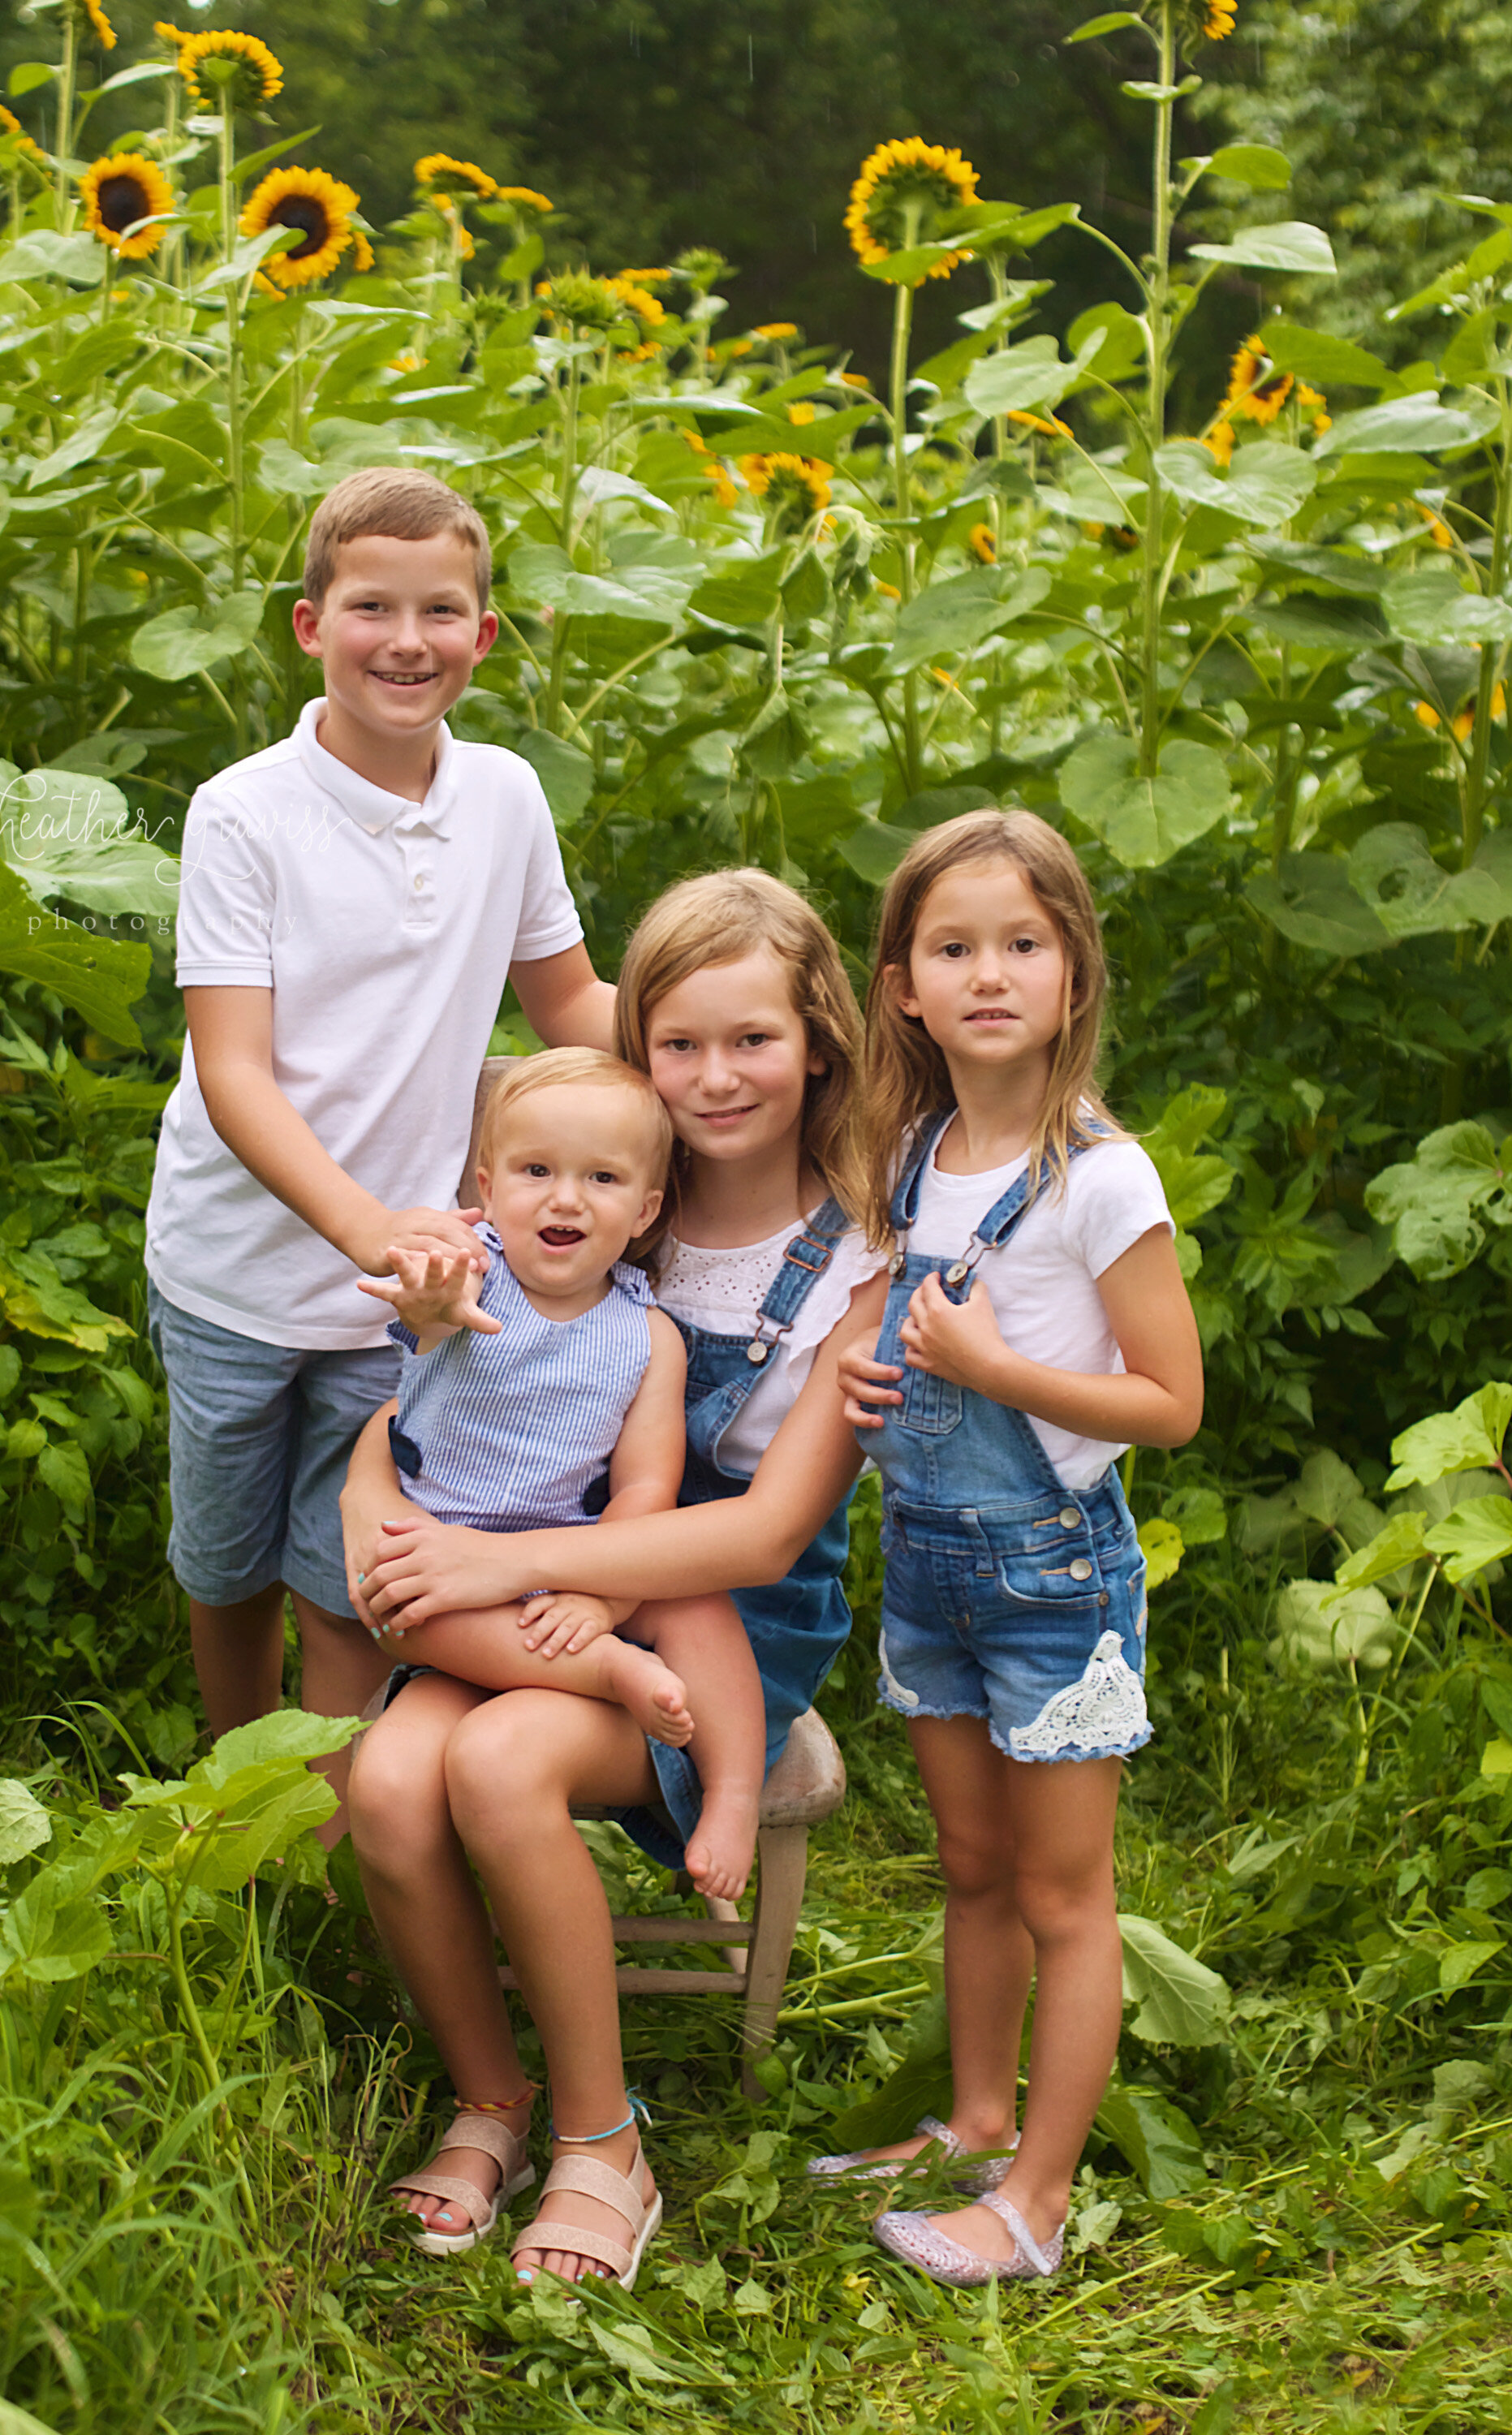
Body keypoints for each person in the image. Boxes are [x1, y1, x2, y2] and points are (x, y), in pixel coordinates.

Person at [342, 870, 888, 2282]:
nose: (714, 1078)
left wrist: (498, 1560)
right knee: (389, 1783)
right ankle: (493, 2101)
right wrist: (370, 1505)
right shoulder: (575, 1204)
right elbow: (431, 1395)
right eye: (679, 1044)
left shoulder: (856, 1259)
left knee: (500, 1763)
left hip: (723, 1609)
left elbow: (760, 1535)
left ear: (815, 1040)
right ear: (636, 1047)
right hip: (518, 1579)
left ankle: (603, 2141)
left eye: (752, 1041)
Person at [143, 467, 613, 1834]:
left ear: (484, 635)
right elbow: (234, 1072)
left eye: (440, 611)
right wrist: (365, 1226)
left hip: (409, 1294)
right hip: (241, 1269)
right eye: (370, 608)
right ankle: (235, 1810)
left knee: (349, 1573)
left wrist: (739, 1033)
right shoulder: (245, 812)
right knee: (226, 1567)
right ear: (309, 625)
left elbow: (570, 1007)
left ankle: (342, 1838)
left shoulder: (508, 797)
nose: (404, 641)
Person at [813, 808, 1203, 2286]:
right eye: (953, 947)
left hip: (1048, 1573)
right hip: (925, 1561)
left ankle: (1034, 2200)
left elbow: (1167, 1404)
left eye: (1022, 945)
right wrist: (867, 1377)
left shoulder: (1100, 1177)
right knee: (969, 1870)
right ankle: (974, 2119)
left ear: (1071, 973)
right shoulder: (912, 1153)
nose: (989, 974)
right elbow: (891, 1333)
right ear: (901, 984)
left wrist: (994, 1373)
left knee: (1060, 1893)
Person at [357, 1046, 773, 1895]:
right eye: (536, 1169)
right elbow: (427, 1314)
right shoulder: (471, 1276)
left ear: (646, 1207)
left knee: (696, 1605)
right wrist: (427, 1302)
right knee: (404, 1605)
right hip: (444, 1561)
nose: (564, 1198)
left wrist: (605, 1598)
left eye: (601, 1179)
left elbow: (646, 1491)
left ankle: (730, 1793)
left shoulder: (647, 1336)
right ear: (486, 1183)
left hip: (572, 1563)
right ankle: (605, 1673)